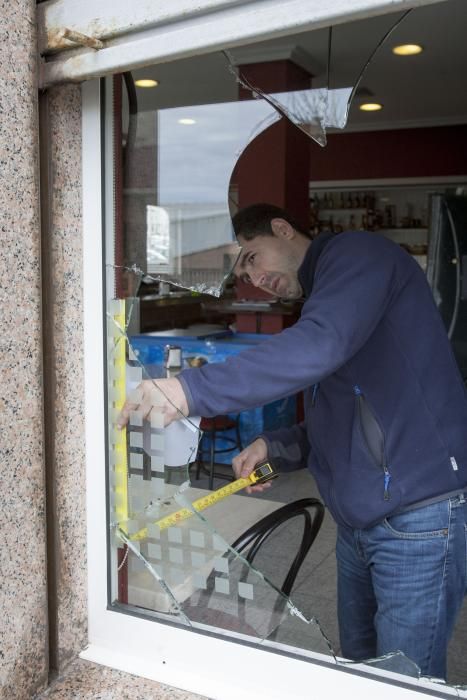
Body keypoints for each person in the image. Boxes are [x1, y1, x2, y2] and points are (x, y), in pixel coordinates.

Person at [118, 203, 467, 679]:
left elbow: (320, 345)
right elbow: (350, 411)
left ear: (283, 229)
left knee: (405, 679)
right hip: (359, 519)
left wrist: (191, 389)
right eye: (242, 272)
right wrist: (278, 447)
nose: (253, 279)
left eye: (252, 257)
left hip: (416, 515)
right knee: (364, 669)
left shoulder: (359, 255)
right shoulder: (327, 296)